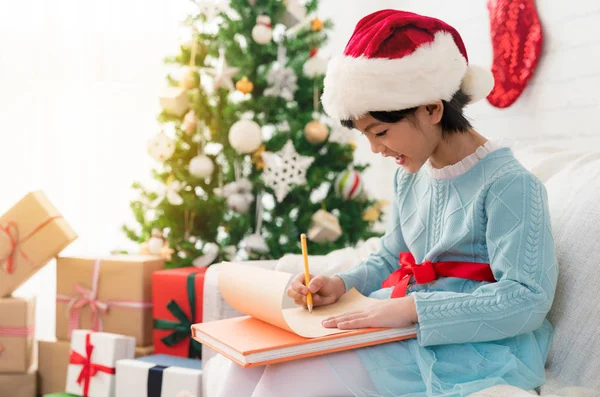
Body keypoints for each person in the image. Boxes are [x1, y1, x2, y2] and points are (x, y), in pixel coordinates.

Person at [212, 9, 558, 397]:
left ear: (432, 109)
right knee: (246, 366)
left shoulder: (510, 185)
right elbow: (392, 257)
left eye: (380, 131)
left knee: (284, 380)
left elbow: (528, 299)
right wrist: (341, 283)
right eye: (366, 135)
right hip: (400, 318)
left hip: (470, 345)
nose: (375, 148)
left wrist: (412, 311)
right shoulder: (410, 176)